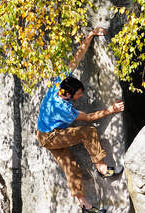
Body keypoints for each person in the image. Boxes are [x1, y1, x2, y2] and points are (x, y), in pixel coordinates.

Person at [36, 27, 125, 213]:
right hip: (52, 137)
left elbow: (77, 57)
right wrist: (112, 109)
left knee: (72, 168)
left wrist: (90, 36)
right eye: (78, 93)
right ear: (68, 94)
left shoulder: (59, 83)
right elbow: (89, 117)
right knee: (89, 131)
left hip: (44, 135)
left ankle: (85, 206)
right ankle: (102, 167)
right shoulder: (64, 109)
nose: (81, 94)